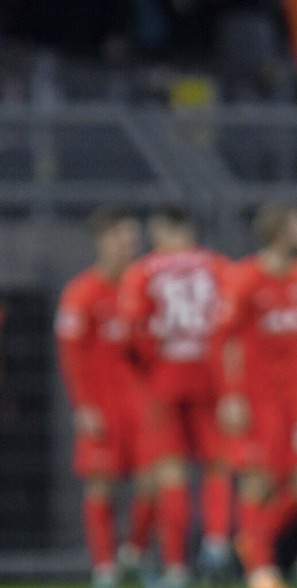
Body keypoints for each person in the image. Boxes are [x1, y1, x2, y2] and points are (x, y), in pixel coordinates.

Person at [216, 202, 297, 588]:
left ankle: (289, 554)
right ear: (281, 231)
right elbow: (225, 341)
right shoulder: (245, 279)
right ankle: (260, 566)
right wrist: (231, 395)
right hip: (259, 401)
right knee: (258, 482)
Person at [118, 204, 234, 588]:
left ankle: (175, 569)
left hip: (164, 379)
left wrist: (151, 362)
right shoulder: (219, 268)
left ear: (164, 229)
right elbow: (232, 327)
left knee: (170, 475)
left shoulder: (142, 272)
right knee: (217, 465)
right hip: (210, 379)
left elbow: (131, 329)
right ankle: (216, 544)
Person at [55, 206, 156, 588]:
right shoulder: (81, 292)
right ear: (103, 240)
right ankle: (105, 570)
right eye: (123, 235)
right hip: (102, 406)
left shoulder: (143, 287)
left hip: (143, 406)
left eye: (134, 235)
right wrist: (83, 406)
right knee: (100, 485)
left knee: (155, 482)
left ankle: (134, 551)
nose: (131, 243)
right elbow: (71, 355)